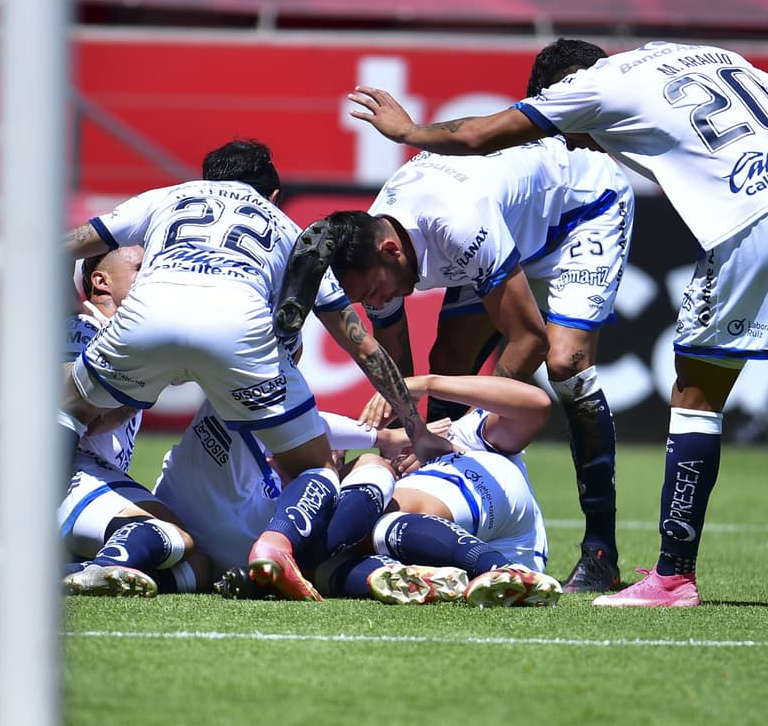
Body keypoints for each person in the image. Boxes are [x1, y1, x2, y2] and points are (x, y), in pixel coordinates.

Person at [345, 37, 768, 609]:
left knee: (683, 394)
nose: (576, 141)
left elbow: (481, 133)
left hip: (678, 221)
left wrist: (409, 129)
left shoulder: (593, 86)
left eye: (569, 128)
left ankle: (656, 571)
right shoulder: (700, 53)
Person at [60, 139, 449, 601]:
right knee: (318, 469)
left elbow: (69, 245)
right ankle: (277, 544)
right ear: (274, 196)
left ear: (206, 179)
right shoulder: (288, 229)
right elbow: (362, 346)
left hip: (148, 316)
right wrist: (415, 428)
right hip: (239, 334)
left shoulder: (167, 196)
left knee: (66, 406)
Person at [283, 135, 633, 593]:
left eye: (374, 292)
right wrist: (414, 431)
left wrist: (468, 432)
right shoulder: (378, 241)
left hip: (582, 210)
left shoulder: (457, 227)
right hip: (503, 228)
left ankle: (600, 553)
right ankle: (447, 487)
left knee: (566, 363)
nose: (378, 302)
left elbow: (528, 340)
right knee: (449, 357)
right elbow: (396, 359)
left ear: (391, 251)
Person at [204, 373, 562, 608]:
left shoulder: (467, 434)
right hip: (435, 533)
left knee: (374, 480)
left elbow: (538, 406)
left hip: (501, 503)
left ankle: (500, 567)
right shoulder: (353, 484)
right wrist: (340, 466)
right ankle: (393, 576)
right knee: (334, 566)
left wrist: (423, 384)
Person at [57, 247, 209, 597]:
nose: (153, 275)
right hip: (67, 472)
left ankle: (64, 573)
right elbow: (80, 415)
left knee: (200, 565)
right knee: (174, 534)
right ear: (100, 281)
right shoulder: (81, 325)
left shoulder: (132, 335)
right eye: (141, 268)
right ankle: (100, 566)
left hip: (99, 481)